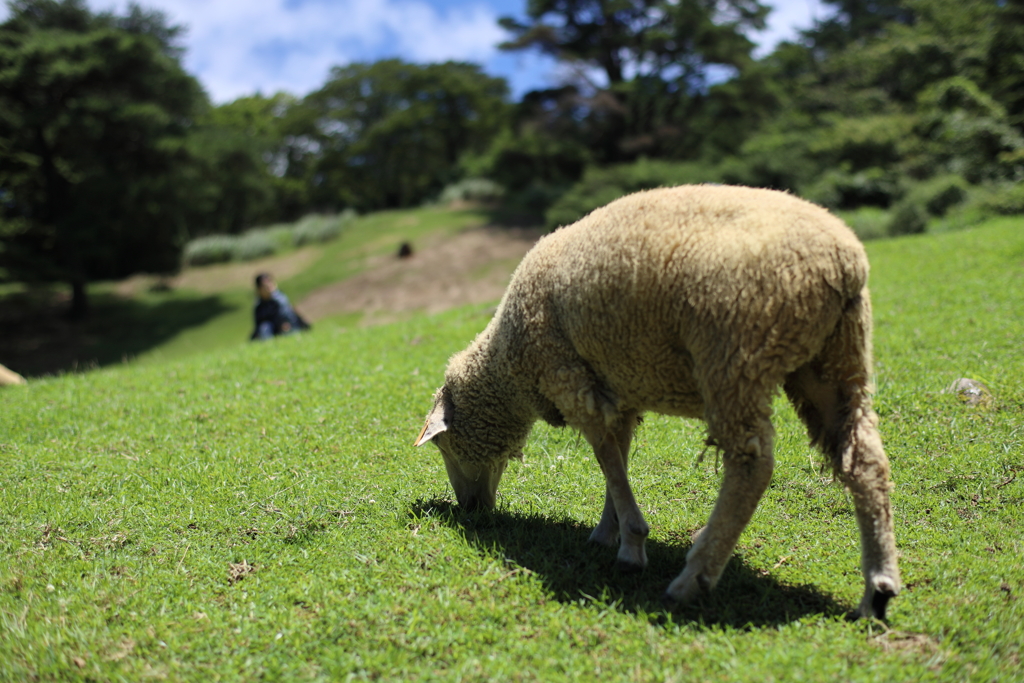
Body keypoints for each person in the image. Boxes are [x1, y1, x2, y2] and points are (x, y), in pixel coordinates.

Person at [250, 273, 311, 340]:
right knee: (264, 327)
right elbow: (259, 324)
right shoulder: (259, 305)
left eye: (270, 282)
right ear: (259, 289)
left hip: (288, 327)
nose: (269, 286)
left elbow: (289, 317)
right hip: (272, 331)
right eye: (265, 285)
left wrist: (284, 324)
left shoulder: (280, 299)